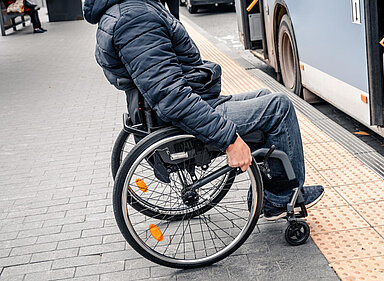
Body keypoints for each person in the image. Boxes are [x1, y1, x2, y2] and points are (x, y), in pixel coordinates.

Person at [83, 0, 324, 220]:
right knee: (279, 107)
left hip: (173, 108)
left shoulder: (125, 11)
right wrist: (229, 140)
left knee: (264, 96)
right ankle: (278, 200)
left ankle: (268, 191)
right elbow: (172, 97)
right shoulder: (135, 19)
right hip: (179, 118)